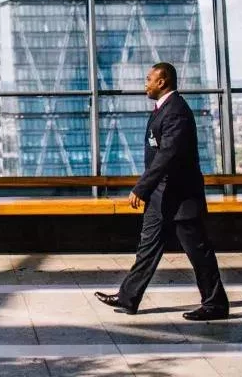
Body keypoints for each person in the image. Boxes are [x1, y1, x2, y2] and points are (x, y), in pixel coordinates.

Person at [95, 62, 229, 321]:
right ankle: (128, 297)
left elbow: (168, 155)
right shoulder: (163, 109)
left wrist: (141, 188)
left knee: (198, 252)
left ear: (162, 81)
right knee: (147, 248)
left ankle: (216, 304)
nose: (145, 84)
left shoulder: (176, 111)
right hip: (161, 196)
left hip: (180, 197)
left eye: (149, 79)